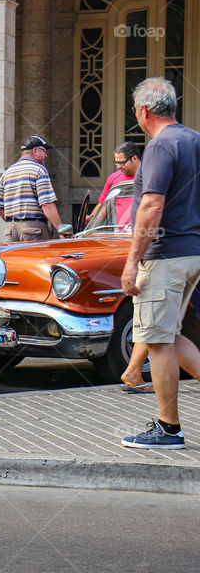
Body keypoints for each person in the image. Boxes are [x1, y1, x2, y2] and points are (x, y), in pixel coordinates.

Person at [120, 77, 200, 449]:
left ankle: (169, 429)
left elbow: (151, 206)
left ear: (143, 110)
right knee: (170, 334)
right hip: (192, 251)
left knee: (156, 341)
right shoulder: (194, 140)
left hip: (165, 256)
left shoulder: (160, 146)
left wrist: (132, 262)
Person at [0, 135, 63, 242]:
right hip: (34, 229)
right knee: (38, 258)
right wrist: (62, 230)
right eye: (44, 151)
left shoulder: (7, 173)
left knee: (16, 259)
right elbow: (47, 204)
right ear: (35, 151)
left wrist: (15, 223)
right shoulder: (39, 170)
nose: (46, 155)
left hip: (11, 231)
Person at [89, 142, 140, 224]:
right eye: (116, 162)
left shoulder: (150, 175)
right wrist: (91, 219)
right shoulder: (113, 178)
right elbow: (103, 205)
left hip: (145, 232)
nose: (118, 166)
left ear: (134, 158)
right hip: (120, 233)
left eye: (122, 163)